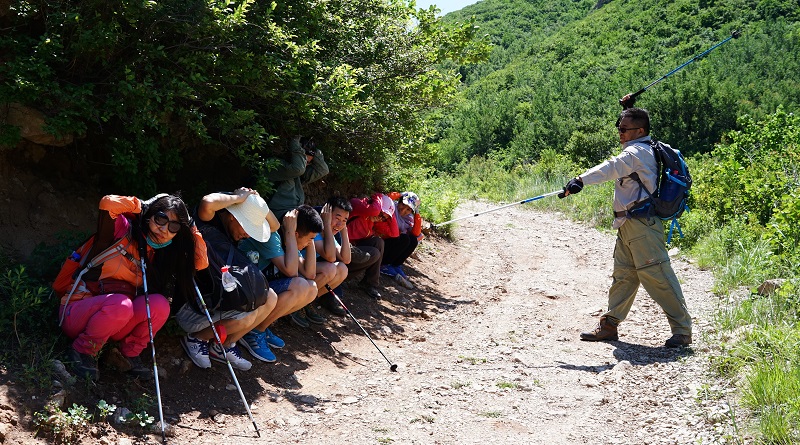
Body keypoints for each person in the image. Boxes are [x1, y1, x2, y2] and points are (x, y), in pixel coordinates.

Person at [560, 100, 692, 348]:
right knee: (624, 276)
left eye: (624, 129)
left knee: (658, 276)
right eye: (618, 128)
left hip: (642, 226)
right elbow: (622, 151)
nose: (619, 133)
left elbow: (612, 167)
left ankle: (683, 331)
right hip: (628, 225)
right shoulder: (641, 147)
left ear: (640, 132)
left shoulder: (636, 153)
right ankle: (609, 326)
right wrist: (629, 107)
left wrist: (580, 180)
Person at [58, 193, 205, 381]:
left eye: (173, 226)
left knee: (160, 305)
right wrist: (142, 205)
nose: (164, 229)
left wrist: (192, 228)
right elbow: (108, 203)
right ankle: (82, 350)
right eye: (160, 219)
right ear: (150, 215)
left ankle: (127, 353)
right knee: (121, 305)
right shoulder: (121, 230)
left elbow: (200, 263)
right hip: (77, 314)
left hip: (116, 319)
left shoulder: (161, 254)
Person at [176, 189, 279, 370]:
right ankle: (196, 338)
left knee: (269, 297)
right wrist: (239, 198)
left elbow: (275, 226)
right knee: (248, 316)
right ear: (233, 217)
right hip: (193, 308)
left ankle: (222, 345)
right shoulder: (208, 221)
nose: (248, 235)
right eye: (247, 227)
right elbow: (207, 202)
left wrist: (255, 201)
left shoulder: (233, 230)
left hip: (218, 300)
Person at [238, 204, 321, 350]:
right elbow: (292, 272)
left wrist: (310, 238)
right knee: (300, 285)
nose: (310, 243)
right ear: (295, 234)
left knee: (312, 288)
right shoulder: (272, 236)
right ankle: (253, 332)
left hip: (263, 289)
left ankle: (260, 328)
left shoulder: (291, 239)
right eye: (309, 239)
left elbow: (310, 273)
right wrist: (290, 233)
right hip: (244, 289)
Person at [266, 135, 330, 220]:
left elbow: (323, 170)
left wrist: (314, 149)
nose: (306, 165)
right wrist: (295, 143)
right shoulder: (276, 166)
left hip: (292, 216)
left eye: (308, 163)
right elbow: (298, 169)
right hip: (276, 215)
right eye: (305, 161)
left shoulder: (299, 175)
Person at [312, 197, 353, 316]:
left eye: (344, 220)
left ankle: (306, 303)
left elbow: (346, 259)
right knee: (329, 269)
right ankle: (300, 303)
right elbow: (330, 257)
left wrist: (344, 230)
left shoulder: (329, 232)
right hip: (294, 272)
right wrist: (326, 223)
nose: (339, 224)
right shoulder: (315, 228)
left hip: (307, 271)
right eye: (337, 218)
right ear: (326, 214)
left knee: (342, 269)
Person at [375, 191, 422, 289]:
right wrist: (400, 194)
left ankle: (396, 265)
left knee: (413, 239)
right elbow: (385, 198)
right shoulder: (391, 207)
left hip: (394, 242)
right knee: (404, 238)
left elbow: (416, 233)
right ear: (399, 202)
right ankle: (384, 265)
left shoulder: (409, 218)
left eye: (408, 209)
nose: (404, 210)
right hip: (383, 241)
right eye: (403, 205)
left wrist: (417, 211)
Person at [346, 193, 388, 300]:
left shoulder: (369, 223)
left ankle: (370, 284)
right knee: (374, 254)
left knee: (379, 242)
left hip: (351, 250)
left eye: (384, 218)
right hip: (339, 246)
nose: (380, 218)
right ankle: (342, 277)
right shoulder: (358, 206)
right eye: (381, 214)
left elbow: (394, 233)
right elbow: (373, 210)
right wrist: (378, 197)